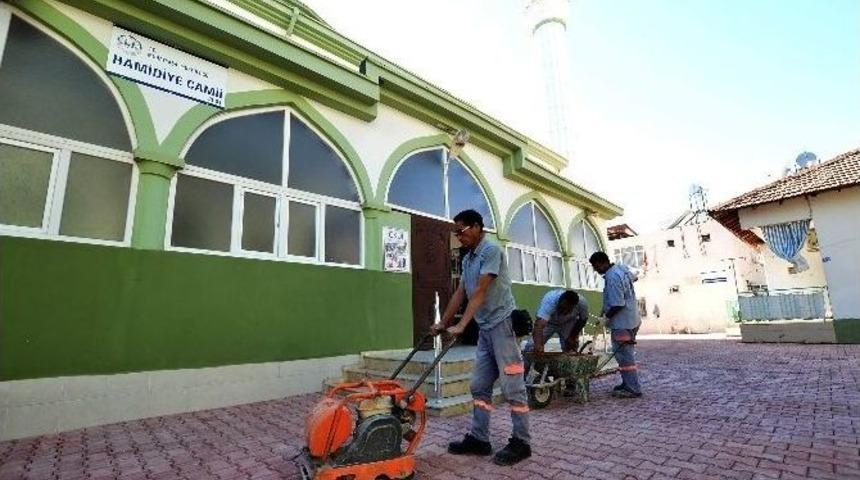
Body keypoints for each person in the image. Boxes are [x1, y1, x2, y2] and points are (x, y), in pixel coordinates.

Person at [431, 209, 531, 466]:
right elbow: (461, 293)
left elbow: (482, 291)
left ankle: (522, 442)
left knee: (513, 387)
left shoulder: (491, 251)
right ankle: (480, 438)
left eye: (461, 230)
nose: (459, 236)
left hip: (503, 326)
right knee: (479, 385)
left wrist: (462, 325)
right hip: (486, 330)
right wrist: (443, 323)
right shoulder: (468, 259)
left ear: (476, 227)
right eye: (456, 231)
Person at [589, 251, 643, 399]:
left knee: (625, 357)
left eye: (595, 266)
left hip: (622, 322)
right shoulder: (621, 269)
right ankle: (628, 383)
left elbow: (618, 303)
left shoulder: (612, 277)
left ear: (601, 263)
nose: (596, 270)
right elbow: (634, 276)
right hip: (632, 319)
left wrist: (606, 318)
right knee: (624, 355)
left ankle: (632, 388)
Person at [522, 289, 589, 376]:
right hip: (549, 322)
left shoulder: (582, 303)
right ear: (559, 301)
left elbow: (583, 320)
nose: (564, 311)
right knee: (531, 347)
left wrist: (572, 336)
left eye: (568, 309)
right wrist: (539, 345)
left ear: (574, 306)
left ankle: (569, 378)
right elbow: (539, 325)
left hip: (568, 323)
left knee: (571, 349)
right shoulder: (550, 300)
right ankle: (525, 375)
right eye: (562, 308)